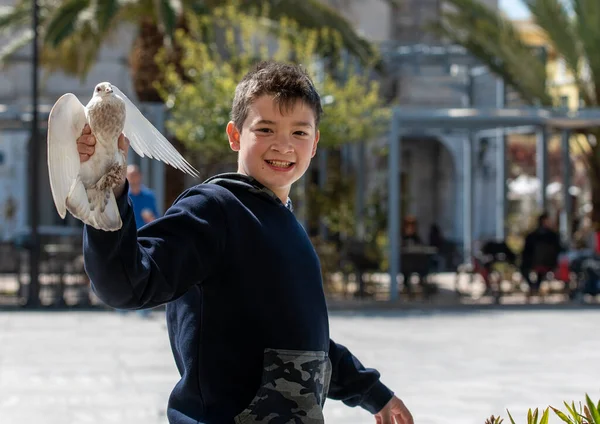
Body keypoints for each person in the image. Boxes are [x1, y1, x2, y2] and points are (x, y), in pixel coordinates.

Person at [77, 62, 413, 424]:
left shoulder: (286, 225)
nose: (283, 145)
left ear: (315, 143)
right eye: (265, 129)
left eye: (299, 132)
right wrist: (106, 187)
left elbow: (304, 346)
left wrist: (372, 392)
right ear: (235, 136)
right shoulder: (214, 210)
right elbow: (126, 283)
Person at [520, 212, 563, 298]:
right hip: (544, 262)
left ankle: (534, 286)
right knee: (536, 268)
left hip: (544, 262)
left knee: (530, 268)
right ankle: (534, 286)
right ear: (544, 221)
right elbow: (559, 249)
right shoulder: (552, 235)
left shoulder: (533, 235)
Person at [126, 164, 160, 230]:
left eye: (134, 175)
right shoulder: (123, 197)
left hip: (145, 235)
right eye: (130, 175)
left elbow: (156, 220)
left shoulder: (149, 196)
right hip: (127, 236)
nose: (132, 178)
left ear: (140, 176)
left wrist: (150, 218)